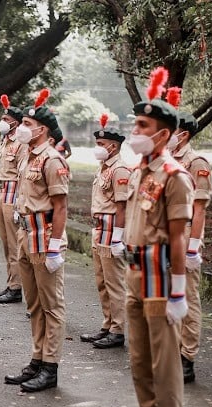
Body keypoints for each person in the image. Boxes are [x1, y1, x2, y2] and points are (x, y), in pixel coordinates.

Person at [112, 67, 194, 407]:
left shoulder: (175, 177)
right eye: (135, 123)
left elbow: (178, 236)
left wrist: (179, 290)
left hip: (161, 278)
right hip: (134, 274)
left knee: (164, 363)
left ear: (162, 134)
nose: (136, 130)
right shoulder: (142, 171)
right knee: (140, 357)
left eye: (143, 125)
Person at [4, 88, 70, 392]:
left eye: (27, 124)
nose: (21, 128)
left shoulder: (52, 160)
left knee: (51, 305)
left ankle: (50, 366)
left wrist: (56, 245)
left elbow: (61, 206)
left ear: (41, 129)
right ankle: (37, 357)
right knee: (33, 303)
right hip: (24, 234)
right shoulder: (27, 157)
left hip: (45, 237)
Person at [80, 114, 130, 349]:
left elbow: (122, 205)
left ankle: (118, 329)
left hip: (111, 229)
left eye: (101, 145)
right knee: (101, 281)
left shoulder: (120, 169)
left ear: (113, 146)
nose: (97, 148)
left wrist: (119, 236)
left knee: (114, 282)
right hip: (99, 229)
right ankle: (108, 324)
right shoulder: (104, 168)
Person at [171, 111, 212, 383]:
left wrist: (193, 247)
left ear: (182, 134)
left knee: (187, 297)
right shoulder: (167, 161)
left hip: (185, 234)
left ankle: (187, 357)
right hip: (165, 234)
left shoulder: (196, 162)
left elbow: (199, 209)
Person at [0, 95, 27, 304]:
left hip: (13, 194)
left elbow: (22, 174)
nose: (2, 121)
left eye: (6, 118)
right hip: (2, 191)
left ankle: (16, 287)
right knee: (5, 241)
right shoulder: (6, 140)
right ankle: (11, 282)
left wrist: (20, 202)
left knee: (14, 243)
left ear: (15, 122)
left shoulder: (20, 143)